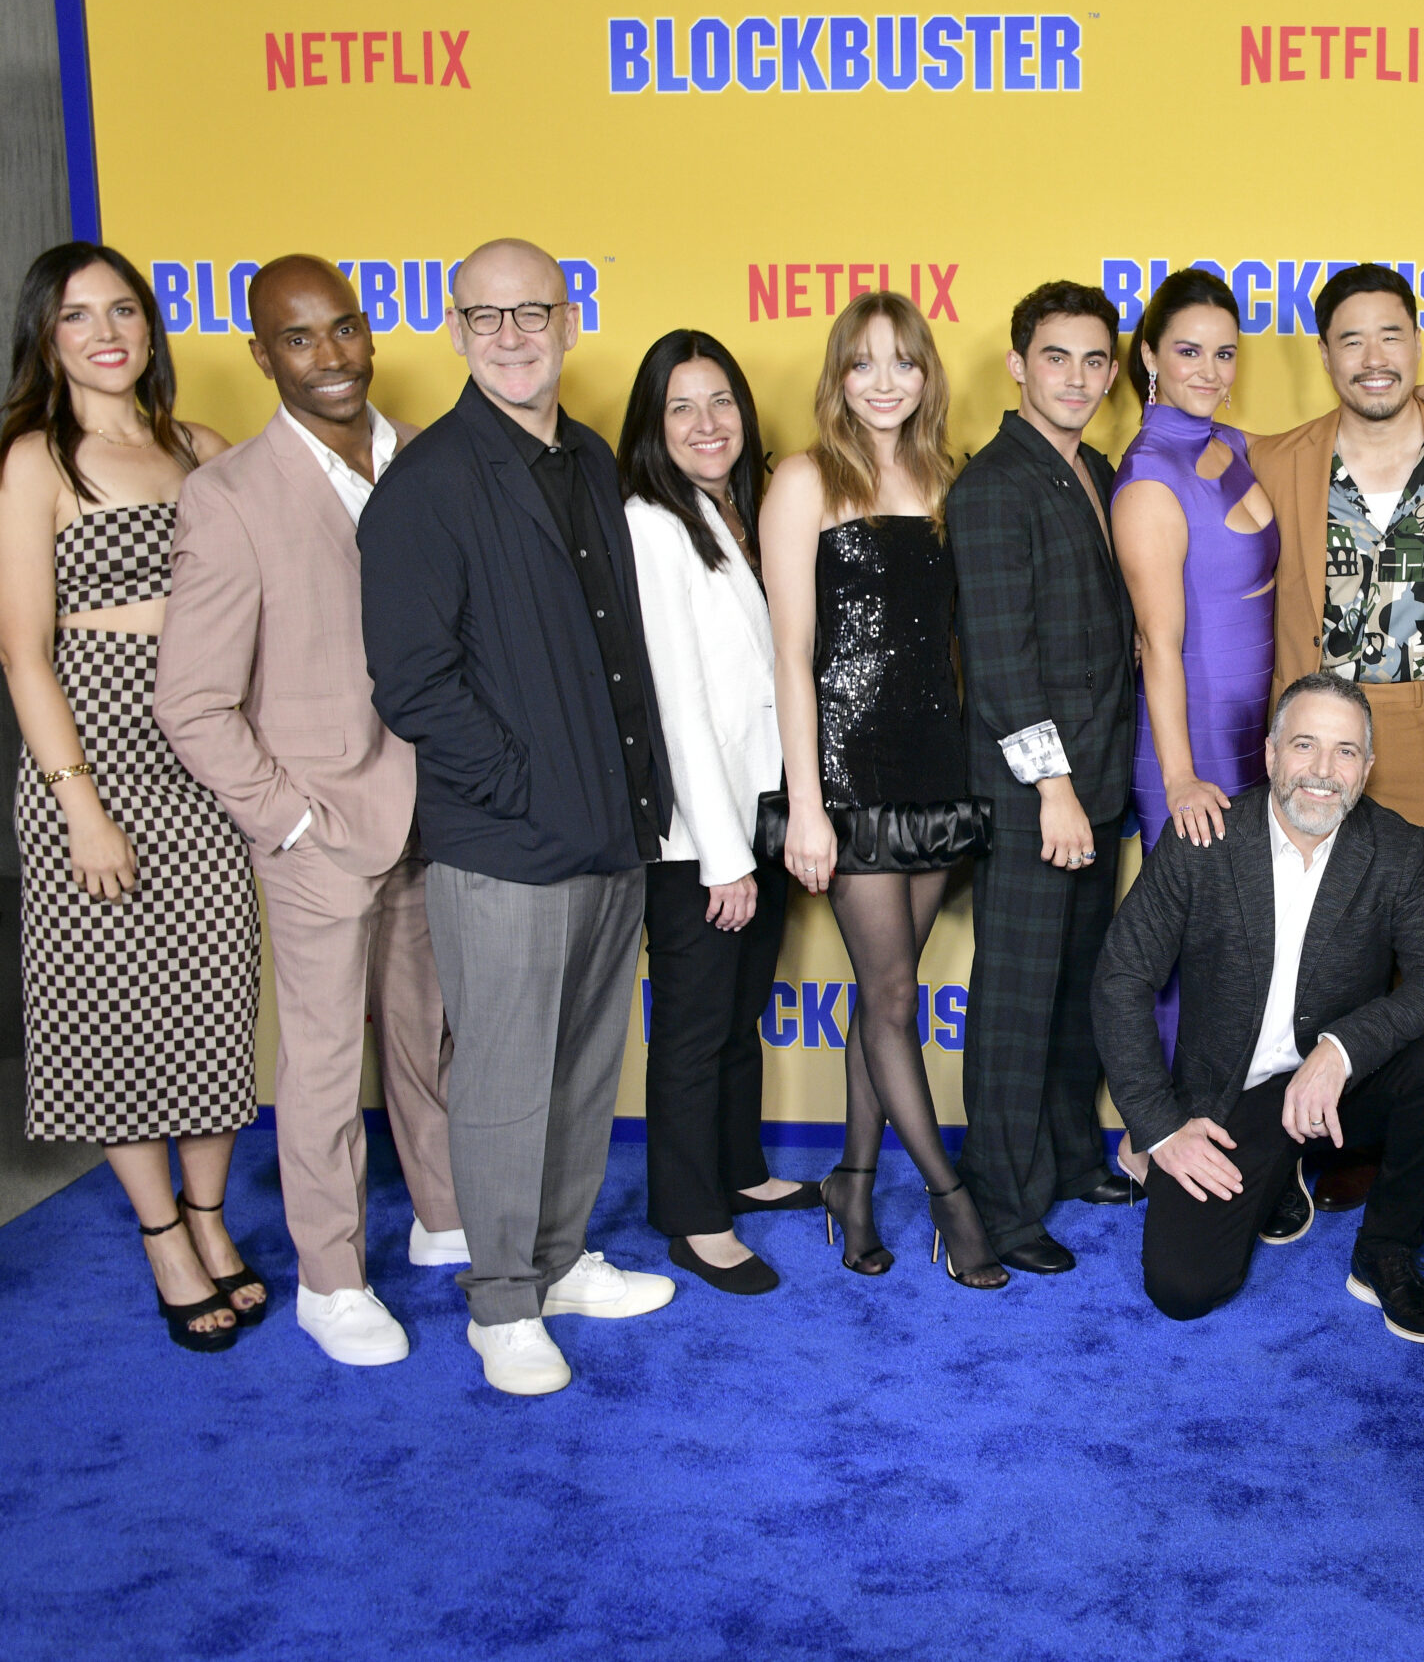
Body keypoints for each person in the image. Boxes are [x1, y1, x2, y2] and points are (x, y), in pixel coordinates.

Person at [360, 238, 678, 1397]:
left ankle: (554, 1259)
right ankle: (500, 1304)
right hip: (505, 842)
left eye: (530, 311)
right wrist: (519, 786)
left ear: (567, 319)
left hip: (608, 828)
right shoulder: (428, 481)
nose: (509, 334)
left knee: (586, 1064)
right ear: (455, 330)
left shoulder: (590, 458)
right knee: (502, 1077)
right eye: (484, 317)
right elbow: (411, 680)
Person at [155, 254, 460, 1366]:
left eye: (344, 328)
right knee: (327, 1060)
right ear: (260, 354)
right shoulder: (228, 496)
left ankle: (441, 1217)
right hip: (319, 825)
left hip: (439, 810)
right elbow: (189, 701)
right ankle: (333, 1278)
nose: (330, 356)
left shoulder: (425, 458)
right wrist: (286, 824)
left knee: (426, 1037)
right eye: (299, 339)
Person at [0, 241, 257, 1354]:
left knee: (211, 997)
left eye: (123, 312)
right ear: (45, 340)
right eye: (76, 317)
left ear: (150, 329)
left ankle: (210, 1217)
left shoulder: (202, 449)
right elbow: (22, 652)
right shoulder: (34, 463)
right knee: (110, 1012)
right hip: (92, 757)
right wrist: (80, 805)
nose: (106, 333)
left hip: (203, 753)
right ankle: (159, 1234)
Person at [1092, 672, 1424, 1336]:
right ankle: (1255, 1170)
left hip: (1334, 1089)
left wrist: (1342, 1048)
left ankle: (1385, 1250)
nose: (1323, 771)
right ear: (1270, 754)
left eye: (1346, 752)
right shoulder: (1203, 838)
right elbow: (1120, 976)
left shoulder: (1394, 847)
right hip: (1230, 1097)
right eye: (1304, 745)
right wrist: (1159, 1126)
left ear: (1367, 768)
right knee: (1182, 1287)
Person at [1249, 262, 1424, 1227]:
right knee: (1331, 946)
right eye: (1350, 339)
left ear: (1416, 345)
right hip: (1324, 727)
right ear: (1325, 355)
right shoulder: (1276, 458)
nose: (1372, 357)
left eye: (1389, 335)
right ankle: (1343, 1147)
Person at [769, 293, 1005, 1290]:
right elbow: (789, 656)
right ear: (838, 374)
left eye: (901, 363)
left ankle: (853, 1184)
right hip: (848, 772)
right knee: (896, 991)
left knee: (883, 991)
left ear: (925, 376)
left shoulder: (951, 481)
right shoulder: (804, 478)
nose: (882, 382)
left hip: (933, 767)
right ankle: (954, 1202)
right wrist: (809, 803)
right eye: (862, 363)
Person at [947, 281, 1140, 1276]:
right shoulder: (992, 487)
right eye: (1055, 357)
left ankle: (1069, 1157)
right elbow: (1001, 662)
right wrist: (1052, 787)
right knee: (1018, 1002)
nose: (1075, 377)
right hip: (1038, 797)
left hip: (1098, 786)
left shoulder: (1095, 469)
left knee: (1075, 991)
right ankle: (1000, 1203)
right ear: (1018, 365)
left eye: (1093, 360)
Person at [616, 328, 811, 1297]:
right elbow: (677, 702)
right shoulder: (652, 520)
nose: (707, 422)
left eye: (721, 401)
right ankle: (693, 1218)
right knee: (694, 1031)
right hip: (701, 836)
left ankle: (738, 1171)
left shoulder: (730, 509)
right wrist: (721, 859)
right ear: (653, 424)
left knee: (739, 1018)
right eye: (682, 406)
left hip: (758, 810)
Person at [1111, 268, 1278, 1081]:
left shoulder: (1232, 443)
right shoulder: (1149, 476)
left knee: (1239, 947)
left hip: (1254, 739)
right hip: (1192, 744)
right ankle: (1173, 1147)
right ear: (1149, 355)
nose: (1209, 371)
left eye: (1225, 352)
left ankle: (1230, 1126)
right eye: (1188, 351)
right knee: (1189, 949)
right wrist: (1179, 778)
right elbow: (1157, 642)